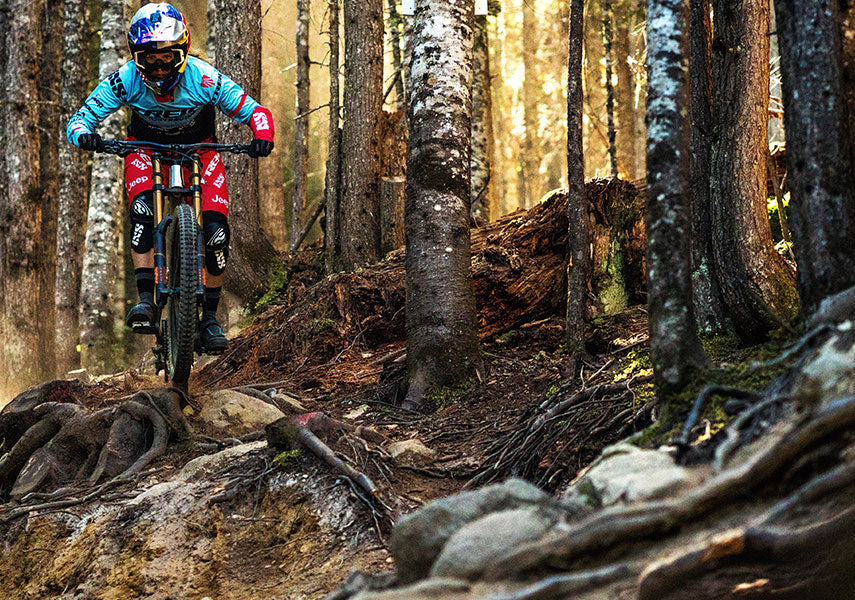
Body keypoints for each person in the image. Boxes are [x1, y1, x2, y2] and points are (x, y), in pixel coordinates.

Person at [66, 2, 274, 354]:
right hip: (145, 150)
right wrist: (84, 133)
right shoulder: (125, 79)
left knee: (217, 234)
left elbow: (256, 111)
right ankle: (146, 299)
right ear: (136, 58)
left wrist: (262, 135)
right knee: (143, 215)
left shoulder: (204, 78)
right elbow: (80, 118)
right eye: (149, 59)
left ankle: (209, 318)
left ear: (185, 50)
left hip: (200, 152)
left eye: (167, 57)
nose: (159, 67)